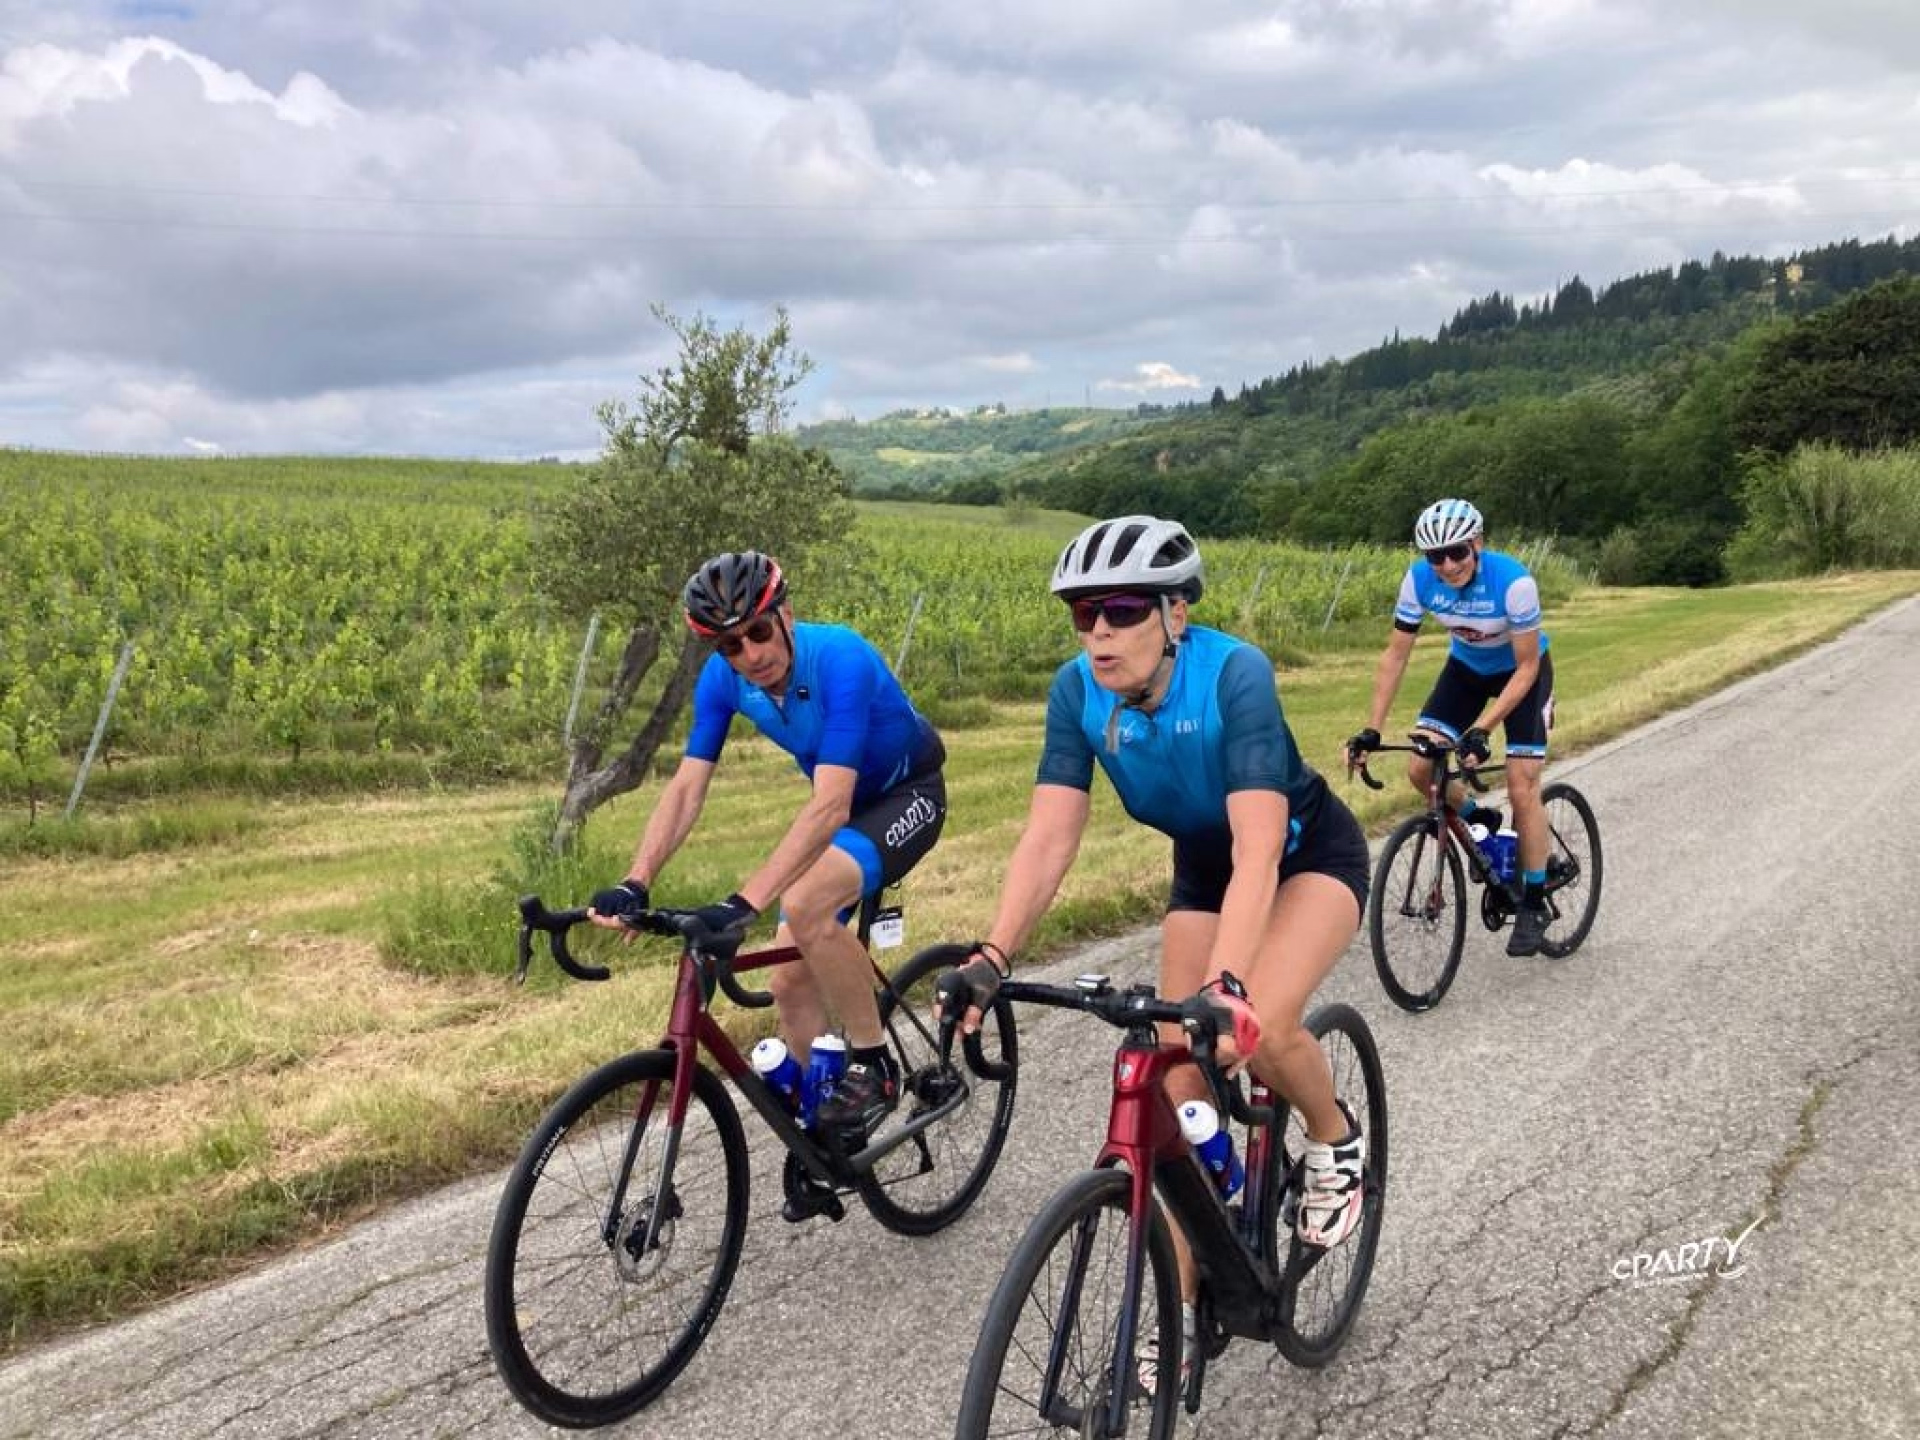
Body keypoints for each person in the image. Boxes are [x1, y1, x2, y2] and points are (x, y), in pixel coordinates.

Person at [937, 515, 1372, 1377]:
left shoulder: (1232, 675)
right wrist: (992, 956)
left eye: (1122, 610)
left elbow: (1258, 849)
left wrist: (1233, 986)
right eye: (1082, 615)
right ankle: (1172, 1313)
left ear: (1175, 614)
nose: (1098, 632)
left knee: (1268, 1023)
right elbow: (1050, 837)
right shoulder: (1077, 692)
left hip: (1302, 854)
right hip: (1202, 872)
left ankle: (1335, 1140)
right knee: (1174, 1083)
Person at [588, 549, 947, 1148]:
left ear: (786, 614)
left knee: (805, 906)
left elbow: (831, 804)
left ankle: (875, 1066)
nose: (750, 655)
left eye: (757, 631)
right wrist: (637, 878)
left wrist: (745, 902)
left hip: (907, 795)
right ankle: (823, 1138)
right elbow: (686, 786)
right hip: (845, 812)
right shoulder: (724, 682)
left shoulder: (840, 657)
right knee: (787, 982)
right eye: (730, 645)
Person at [1344, 497, 1556, 956]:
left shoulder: (1514, 582)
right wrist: (1371, 729)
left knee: (1522, 785)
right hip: (1465, 671)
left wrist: (1482, 728)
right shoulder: (1419, 581)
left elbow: (1525, 669)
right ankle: (1480, 819)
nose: (1447, 564)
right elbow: (1395, 655)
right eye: (1435, 556)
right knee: (1422, 770)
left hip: (1523, 673)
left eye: (1457, 551)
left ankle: (1534, 901)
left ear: (1477, 543)